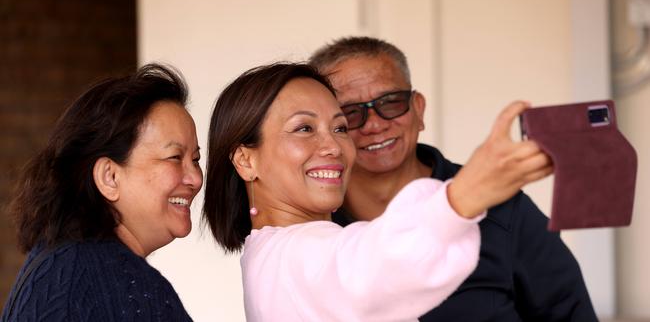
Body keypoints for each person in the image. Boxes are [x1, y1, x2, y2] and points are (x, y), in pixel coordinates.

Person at [202, 62, 552, 321]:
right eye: (304, 128)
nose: (334, 146)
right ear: (246, 161)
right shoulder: (296, 255)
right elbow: (376, 261)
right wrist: (466, 193)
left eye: (340, 127)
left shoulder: (269, 252)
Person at [309, 36, 598, 321]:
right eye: (349, 113)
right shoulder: (309, 227)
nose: (374, 125)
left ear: (418, 109)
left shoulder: (505, 210)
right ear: (331, 129)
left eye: (391, 102)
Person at [1, 64, 202, 321]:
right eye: (175, 157)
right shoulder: (122, 287)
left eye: (195, 159)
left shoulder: (54, 267)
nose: (195, 178)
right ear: (110, 177)